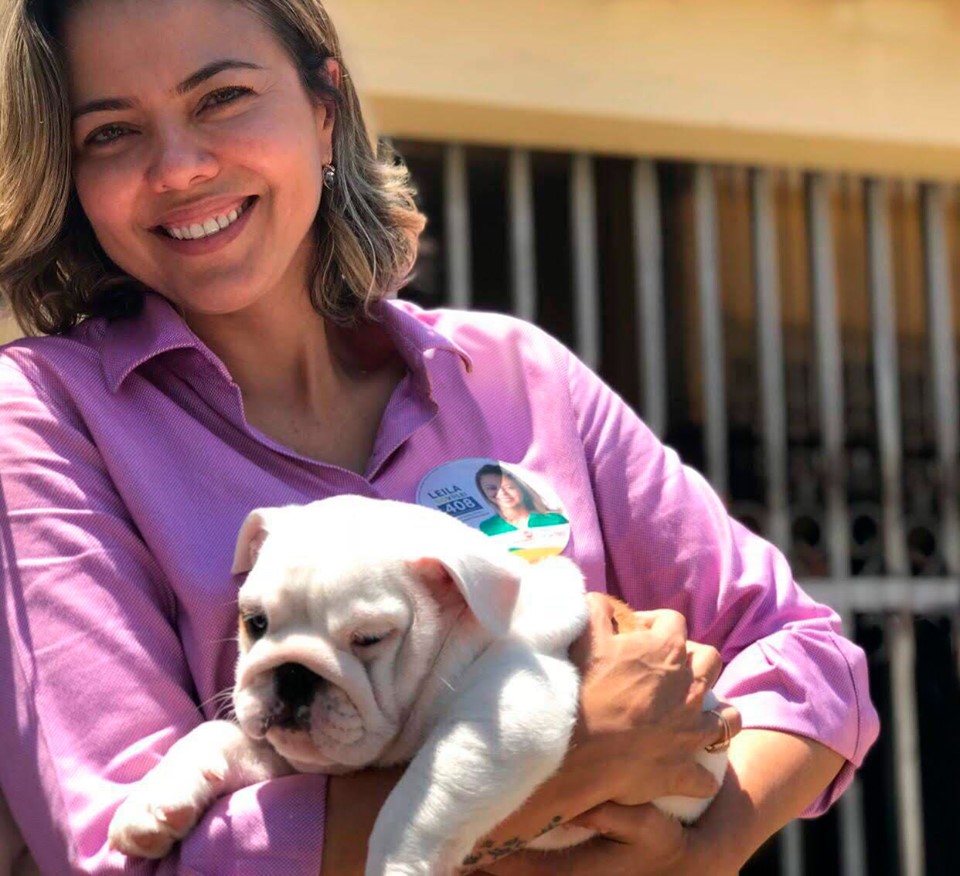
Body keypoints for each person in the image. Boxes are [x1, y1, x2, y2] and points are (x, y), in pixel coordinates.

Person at [0, 0, 878, 874]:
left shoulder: (512, 376)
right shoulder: (45, 414)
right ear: (69, 174)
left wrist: (703, 852)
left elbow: (805, 651)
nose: (181, 168)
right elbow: (125, 854)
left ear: (323, 108)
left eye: (222, 97)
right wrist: (576, 756)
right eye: (110, 134)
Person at [475, 464, 569, 536]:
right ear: (484, 492)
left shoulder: (555, 520)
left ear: (521, 488)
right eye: (492, 488)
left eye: (509, 487)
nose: (502, 493)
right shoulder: (487, 529)